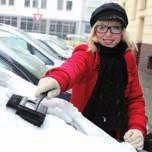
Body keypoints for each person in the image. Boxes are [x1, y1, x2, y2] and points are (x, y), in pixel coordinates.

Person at [35, 2, 147, 151]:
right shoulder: (87, 53)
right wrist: (57, 78)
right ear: (94, 31)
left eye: (115, 27)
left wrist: (138, 128)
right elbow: (73, 66)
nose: (108, 33)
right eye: (102, 27)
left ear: (122, 31)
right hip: (85, 135)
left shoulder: (128, 58)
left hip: (118, 136)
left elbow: (135, 99)